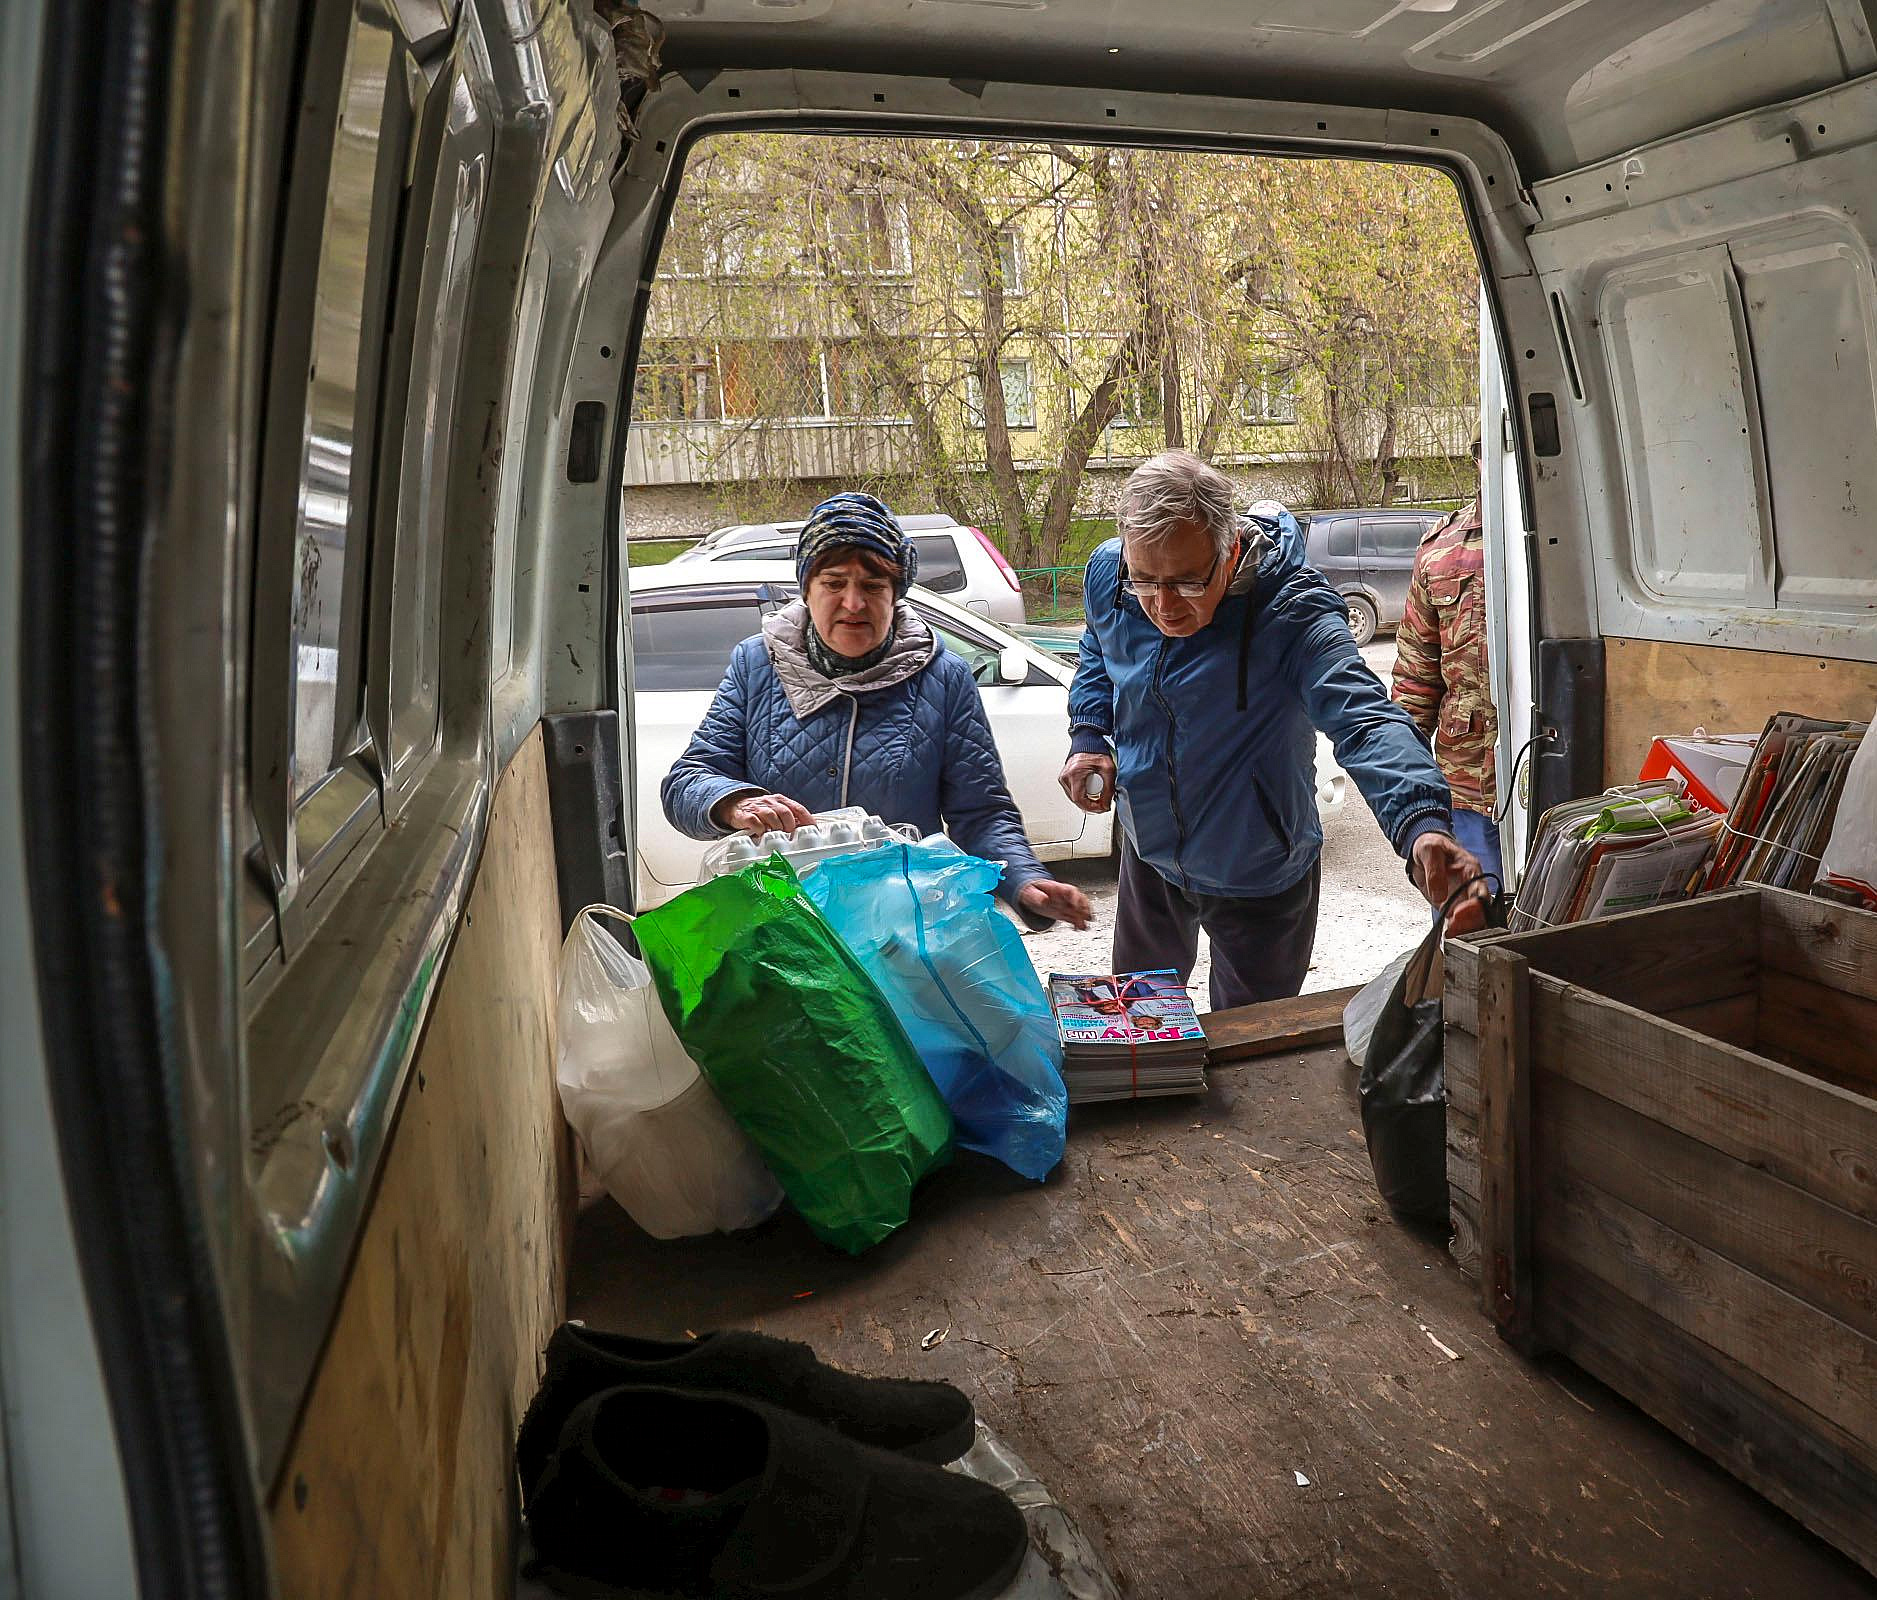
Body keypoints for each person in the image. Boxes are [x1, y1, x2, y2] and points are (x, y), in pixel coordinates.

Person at [1059, 451, 1487, 1009]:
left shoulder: (1293, 612)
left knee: (1249, 1049)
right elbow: (1098, 650)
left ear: (1230, 549)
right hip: (1149, 852)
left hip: (1260, 869)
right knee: (1140, 1021)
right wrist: (1091, 733)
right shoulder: (1110, 576)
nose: (1162, 606)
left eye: (1187, 583)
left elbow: (1364, 716)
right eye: (1146, 581)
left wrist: (1421, 823)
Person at [662, 492, 1093, 929]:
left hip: (902, 931)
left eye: (872, 586)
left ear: (896, 594)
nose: (853, 603)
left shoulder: (943, 677)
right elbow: (687, 781)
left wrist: (1023, 880)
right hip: (784, 930)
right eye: (833, 583)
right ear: (807, 590)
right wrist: (735, 803)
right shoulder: (757, 664)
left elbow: (981, 812)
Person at [1391, 441, 1501, 897]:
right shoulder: (1442, 550)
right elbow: (1415, 678)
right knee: (1468, 926)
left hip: (1562, 779)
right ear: (1479, 457)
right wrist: (1411, 800)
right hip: (1466, 787)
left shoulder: (1580, 534)